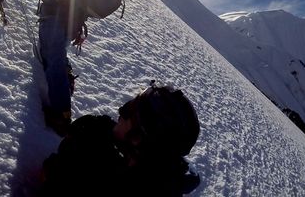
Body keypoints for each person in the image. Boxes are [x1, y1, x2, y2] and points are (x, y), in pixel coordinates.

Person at [0, 0, 122, 135]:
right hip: (74, 23)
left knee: (52, 58)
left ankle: (61, 115)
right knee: (55, 54)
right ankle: (65, 75)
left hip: (54, 18)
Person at [41, 83, 201, 196]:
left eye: (126, 111)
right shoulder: (99, 132)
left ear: (137, 139)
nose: (119, 112)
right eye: (128, 104)